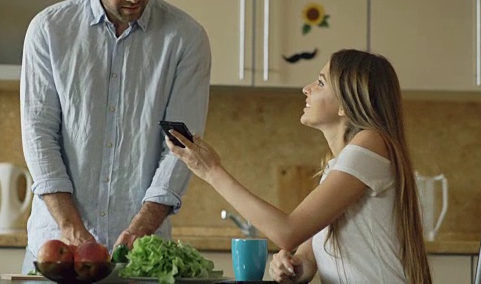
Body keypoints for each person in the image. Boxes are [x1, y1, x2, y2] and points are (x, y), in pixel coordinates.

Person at [19, 0, 211, 273]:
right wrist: (72, 230)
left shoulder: (186, 39)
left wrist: (141, 227)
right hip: (56, 251)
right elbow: (38, 136)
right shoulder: (49, 31)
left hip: (142, 256)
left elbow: (182, 147)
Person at [167, 49, 431, 283]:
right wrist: (293, 267)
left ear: (346, 103)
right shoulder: (338, 164)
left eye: (319, 82)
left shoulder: (370, 145)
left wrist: (212, 171)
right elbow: (308, 252)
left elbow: (288, 232)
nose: (307, 89)